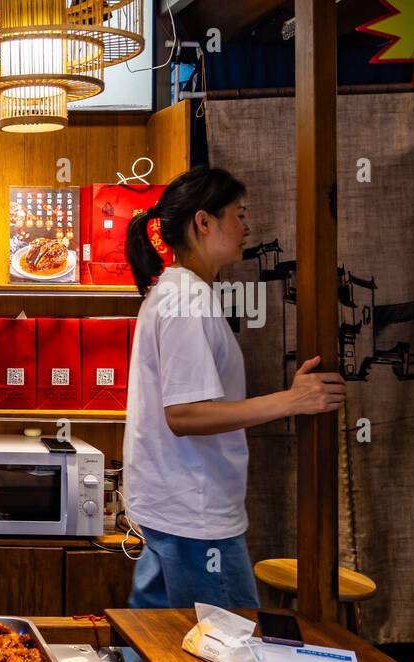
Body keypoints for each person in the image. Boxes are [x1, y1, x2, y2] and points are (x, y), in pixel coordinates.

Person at [122, 166, 346, 610]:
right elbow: (184, 414)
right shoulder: (185, 298)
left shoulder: (176, 291)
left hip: (175, 505)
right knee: (227, 655)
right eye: (238, 215)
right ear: (204, 222)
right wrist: (292, 400)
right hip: (194, 513)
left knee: (156, 652)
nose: (246, 228)